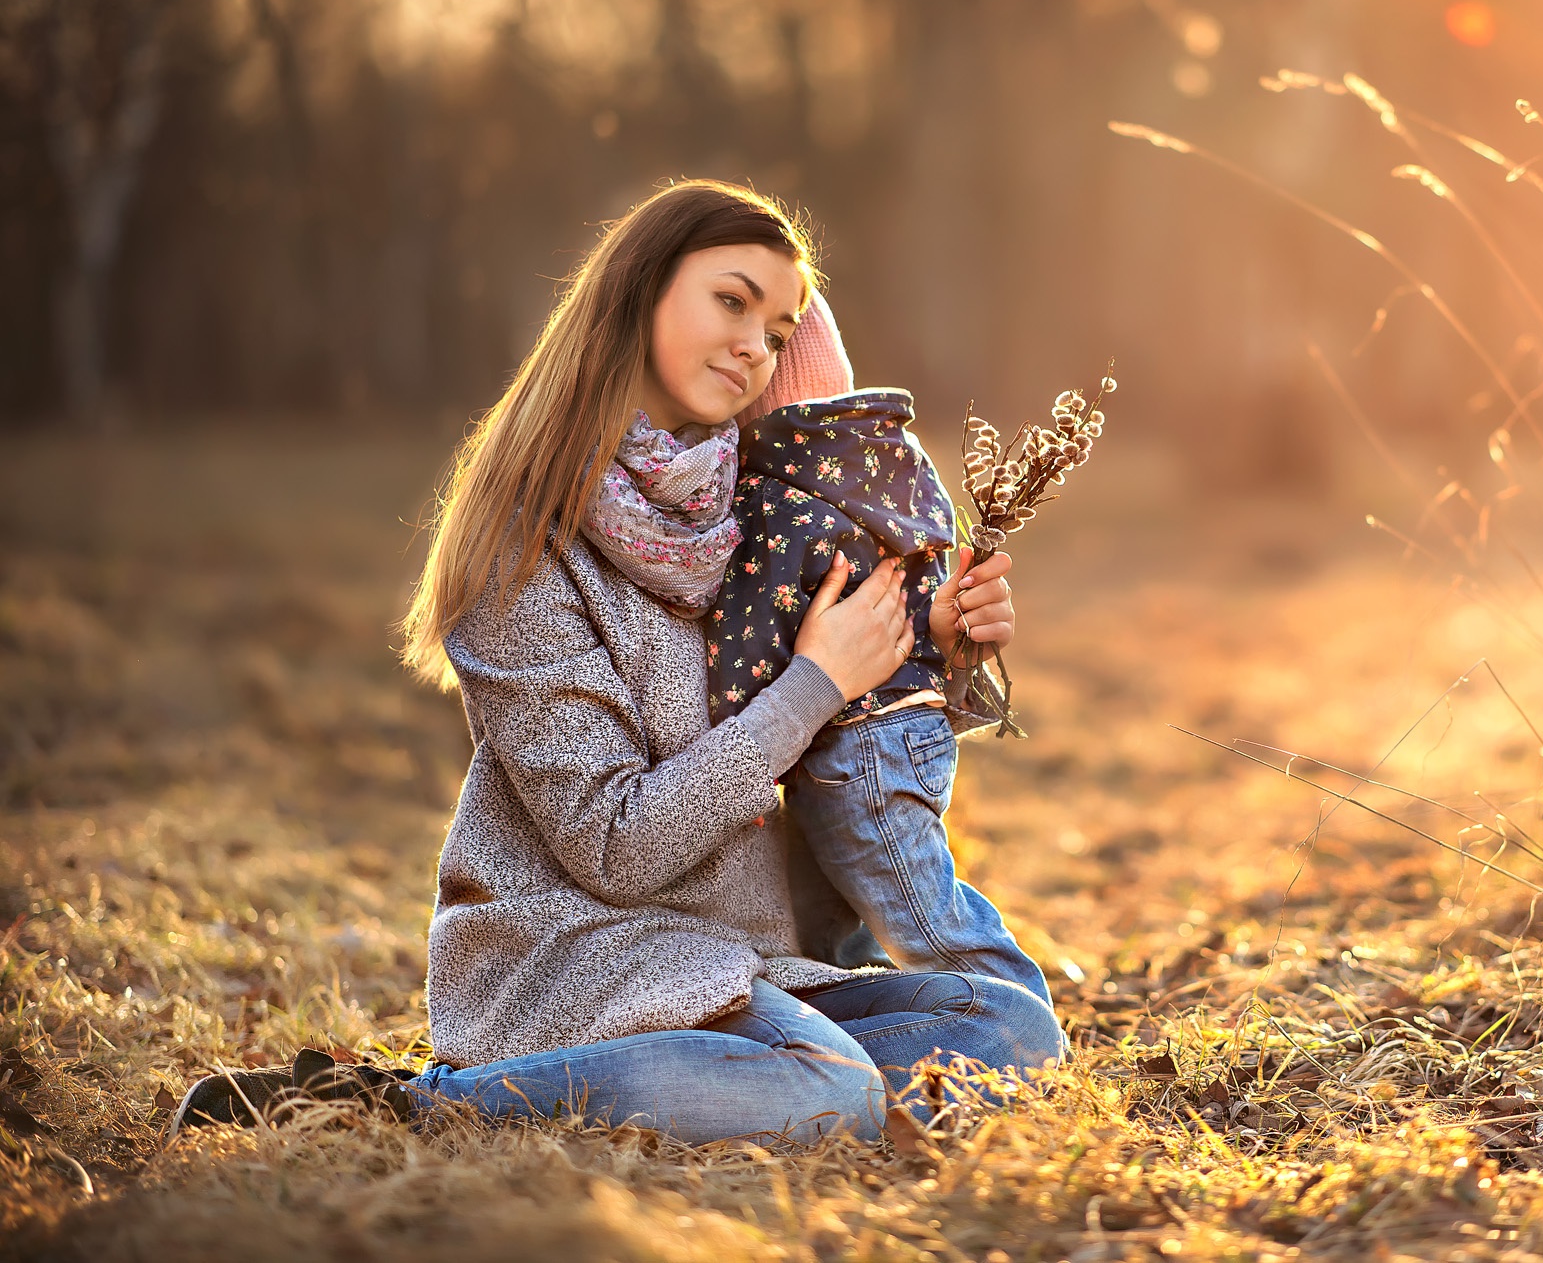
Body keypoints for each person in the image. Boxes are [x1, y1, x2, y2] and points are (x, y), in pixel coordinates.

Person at [167, 181, 1063, 1146]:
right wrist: (816, 684)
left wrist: (934, 646)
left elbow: (833, 742)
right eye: (732, 301)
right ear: (639, 291)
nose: (754, 347)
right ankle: (409, 1106)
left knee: (1007, 1026)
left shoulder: (757, 513)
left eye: (776, 327)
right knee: (829, 1088)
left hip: (745, 960)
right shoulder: (521, 545)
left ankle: (730, 1089)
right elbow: (613, 843)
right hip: (576, 952)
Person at [705, 305, 1052, 1003]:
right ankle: (884, 1013)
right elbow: (925, 585)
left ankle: (1019, 1022)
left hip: (853, 746)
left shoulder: (776, 495)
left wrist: (722, 724)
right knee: (832, 915)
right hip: (910, 729)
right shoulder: (892, 460)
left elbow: (749, 635)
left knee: (931, 920)